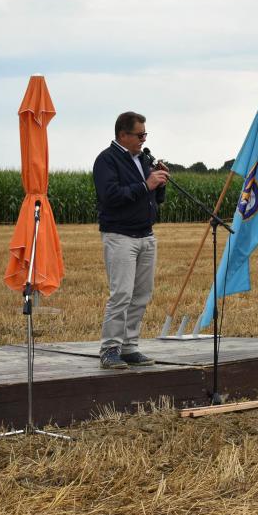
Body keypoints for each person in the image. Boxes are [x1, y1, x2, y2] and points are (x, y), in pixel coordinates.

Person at [92, 112, 169, 369]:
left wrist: (159, 183)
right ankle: (110, 349)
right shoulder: (107, 160)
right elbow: (111, 196)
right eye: (139, 135)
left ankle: (129, 346)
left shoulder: (142, 159)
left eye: (145, 134)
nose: (143, 139)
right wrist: (147, 184)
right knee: (121, 294)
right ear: (122, 135)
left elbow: (152, 199)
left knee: (141, 294)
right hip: (120, 236)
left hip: (146, 234)